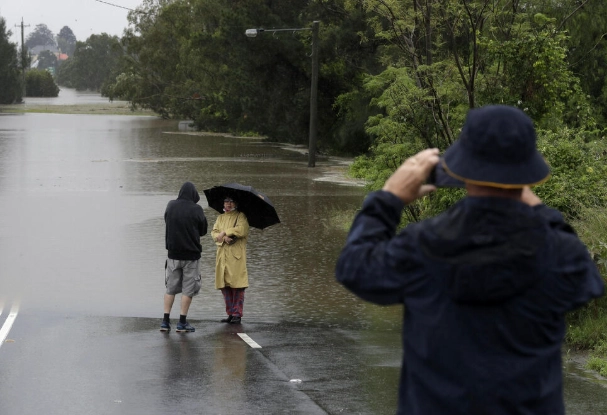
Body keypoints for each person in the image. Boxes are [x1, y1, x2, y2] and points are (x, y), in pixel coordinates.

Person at [335, 105, 604, 415]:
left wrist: (388, 199)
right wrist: (539, 209)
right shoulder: (558, 251)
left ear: (462, 168)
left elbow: (355, 267)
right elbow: (587, 280)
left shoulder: (421, 243)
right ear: (526, 173)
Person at [161, 181, 208, 333]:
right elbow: (203, 230)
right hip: (191, 256)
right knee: (188, 289)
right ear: (194, 195)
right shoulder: (197, 209)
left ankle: (165, 321)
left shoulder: (170, 205)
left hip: (173, 255)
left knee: (170, 288)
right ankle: (182, 323)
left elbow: (166, 220)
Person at [211, 195, 250, 324]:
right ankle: (230, 313)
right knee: (225, 286)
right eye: (226, 201)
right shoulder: (220, 217)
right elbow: (214, 233)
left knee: (237, 286)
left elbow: (241, 230)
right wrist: (223, 238)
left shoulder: (241, 216)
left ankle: (237, 314)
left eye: (231, 201)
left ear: (235, 203)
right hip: (222, 256)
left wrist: (225, 233)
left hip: (235, 257)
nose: (228, 204)